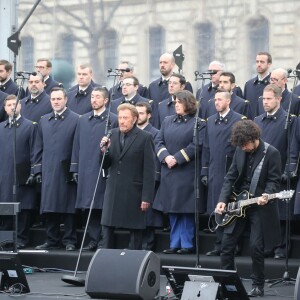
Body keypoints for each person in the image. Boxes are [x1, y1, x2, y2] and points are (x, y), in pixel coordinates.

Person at [215, 120, 281, 297]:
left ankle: (258, 284)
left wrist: (267, 194)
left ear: (254, 138)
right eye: (240, 145)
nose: (243, 148)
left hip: (258, 206)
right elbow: (230, 177)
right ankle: (227, 284)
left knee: (256, 247)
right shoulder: (240, 150)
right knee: (227, 245)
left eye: (245, 144)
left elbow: (274, 180)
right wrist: (222, 200)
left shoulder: (271, 153)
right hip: (239, 204)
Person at [153, 90, 206, 254]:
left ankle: (187, 244)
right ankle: (174, 243)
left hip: (186, 172)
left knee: (186, 210)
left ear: (188, 104)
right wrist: (166, 157)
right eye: (175, 102)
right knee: (173, 209)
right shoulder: (168, 121)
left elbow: (196, 145)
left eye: (179, 102)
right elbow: (158, 141)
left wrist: (177, 158)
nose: (176, 105)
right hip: (169, 171)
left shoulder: (198, 123)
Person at [100, 103, 156, 250]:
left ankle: (133, 265)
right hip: (113, 190)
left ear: (134, 119)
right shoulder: (112, 134)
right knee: (107, 228)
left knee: (135, 231)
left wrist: (146, 197)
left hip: (134, 192)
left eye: (126, 118)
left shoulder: (145, 137)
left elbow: (149, 170)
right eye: (120, 118)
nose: (122, 121)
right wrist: (104, 151)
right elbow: (105, 165)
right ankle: (106, 261)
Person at [70, 87, 118, 251]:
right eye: (92, 97)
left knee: (103, 205)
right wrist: (75, 168)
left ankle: (105, 241)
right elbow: (76, 145)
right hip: (85, 168)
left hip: (104, 168)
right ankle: (92, 239)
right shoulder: (82, 119)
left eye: (98, 97)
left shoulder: (112, 119)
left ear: (105, 100)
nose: (94, 100)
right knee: (88, 204)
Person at [201, 89, 246, 256]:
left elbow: (240, 149)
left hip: (230, 171)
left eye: (220, 100)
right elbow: (206, 147)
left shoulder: (238, 120)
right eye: (215, 100)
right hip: (214, 170)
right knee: (217, 207)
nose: (216, 102)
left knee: (232, 209)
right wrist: (204, 170)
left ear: (228, 101)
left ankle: (233, 245)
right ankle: (219, 244)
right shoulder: (210, 120)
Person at [34, 88, 80, 251]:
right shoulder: (43, 120)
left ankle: (70, 240)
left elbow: (78, 146)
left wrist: (75, 168)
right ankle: (52, 240)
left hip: (66, 169)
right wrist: (37, 169)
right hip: (48, 169)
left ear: (66, 100)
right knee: (50, 206)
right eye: (53, 99)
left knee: (68, 207)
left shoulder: (76, 119)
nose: (56, 101)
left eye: (59, 98)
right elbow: (38, 146)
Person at [254, 84, 297, 259]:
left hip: (280, 171)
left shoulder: (290, 120)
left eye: (269, 98)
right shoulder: (257, 120)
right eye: (263, 99)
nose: (265, 102)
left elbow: (293, 147)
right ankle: (267, 246)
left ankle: (281, 248)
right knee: (264, 210)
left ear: (279, 99)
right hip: (260, 172)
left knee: (281, 211)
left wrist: (290, 169)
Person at [0, 94, 37, 249]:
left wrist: (34, 171)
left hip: (22, 173)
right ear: (5, 108)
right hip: (4, 174)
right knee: (6, 210)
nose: (12, 107)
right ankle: (5, 240)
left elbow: (35, 150)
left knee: (22, 210)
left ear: (20, 106)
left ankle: (21, 238)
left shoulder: (30, 126)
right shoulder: (1, 127)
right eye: (8, 105)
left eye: (14, 104)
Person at [135, 102, 163, 250]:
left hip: (149, 178)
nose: (138, 116)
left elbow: (155, 158)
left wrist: (155, 178)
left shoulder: (155, 133)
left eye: (141, 113)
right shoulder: (130, 131)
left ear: (149, 115)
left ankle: (148, 246)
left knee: (148, 215)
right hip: (133, 179)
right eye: (136, 113)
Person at [147, 53, 193, 127]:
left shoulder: (185, 84)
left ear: (173, 65)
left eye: (165, 62)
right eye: (160, 62)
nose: (162, 65)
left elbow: (190, 107)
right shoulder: (153, 86)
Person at [244, 52, 272, 118]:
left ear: (269, 64)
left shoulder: (273, 83)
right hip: (250, 124)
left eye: (262, 62)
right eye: (257, 62)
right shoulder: (249, 84)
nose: (259, 64)